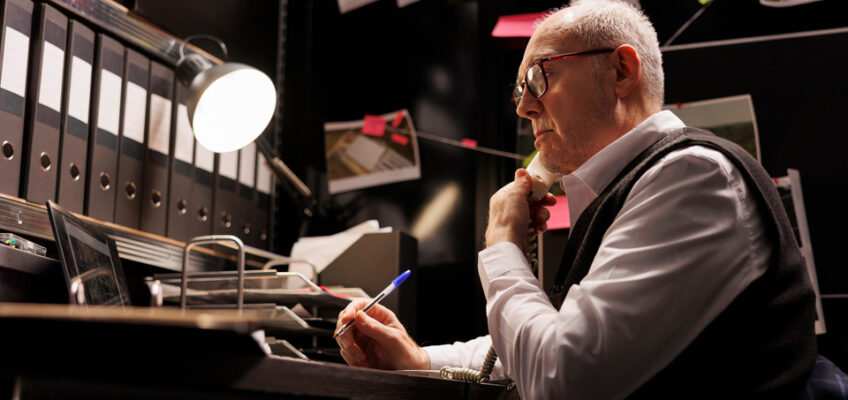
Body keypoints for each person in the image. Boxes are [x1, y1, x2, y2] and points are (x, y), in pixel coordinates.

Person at [335, 0, 817, 398]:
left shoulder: (691, 177)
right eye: (519, 91)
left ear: (621, 70)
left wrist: (502, 242)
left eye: (539, 78)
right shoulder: (628, 189)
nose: (525, 106)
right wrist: (419, 359)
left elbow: (560, 377)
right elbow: (542, 344)